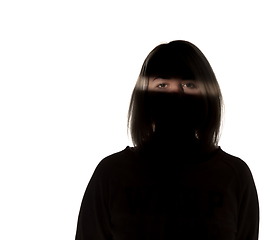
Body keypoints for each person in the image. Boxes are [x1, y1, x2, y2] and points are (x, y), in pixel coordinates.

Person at [75, 40, 259, 240]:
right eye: (162, 85)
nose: (176, 95)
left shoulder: (234, 177)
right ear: (145, 98)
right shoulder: (111, 174)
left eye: (189, 85)